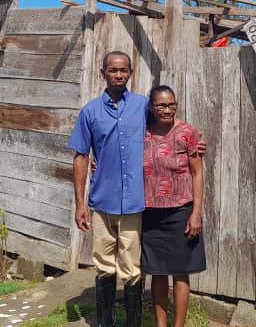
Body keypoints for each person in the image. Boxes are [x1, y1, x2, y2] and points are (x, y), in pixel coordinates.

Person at [69, 51, 206, 327]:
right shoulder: (90, 112)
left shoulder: (143, 106)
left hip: (134, 203)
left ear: (130, 73)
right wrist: (80, 204)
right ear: (103, 72)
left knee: (132, 267)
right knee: (104, 265)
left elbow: (167, 116)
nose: (118, 75)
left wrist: (192, 140)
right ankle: (106, 321)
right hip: (102, 201)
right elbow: (81, 157)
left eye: (123, 70)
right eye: (112, 70)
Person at [140, 85, 206, 327]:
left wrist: (196, 213)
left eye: (171, 105)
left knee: (180, 271)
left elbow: (197, 173)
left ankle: (178, 325)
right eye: (161, 105)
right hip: (150, 213)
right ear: (151, 108)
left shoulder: (187, 133)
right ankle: (161, 324)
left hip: (180, 211)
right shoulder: (143, 132)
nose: (166, 110)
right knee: (156, 271)